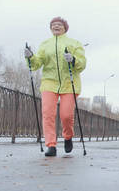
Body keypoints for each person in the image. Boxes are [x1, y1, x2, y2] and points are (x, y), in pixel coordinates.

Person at [24, 17, 86, 157]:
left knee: (66, 115)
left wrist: (73, 60)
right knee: (48, 114)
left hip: (69, 83)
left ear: (65, 27)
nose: (56, 26)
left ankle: (68, 136)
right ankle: (51, 145)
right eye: (53, 25)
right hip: (49, 83)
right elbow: (36, 64)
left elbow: (82, 64)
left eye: (59, 24)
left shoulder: (74, 43)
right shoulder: (45, 44)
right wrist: (30, 57)